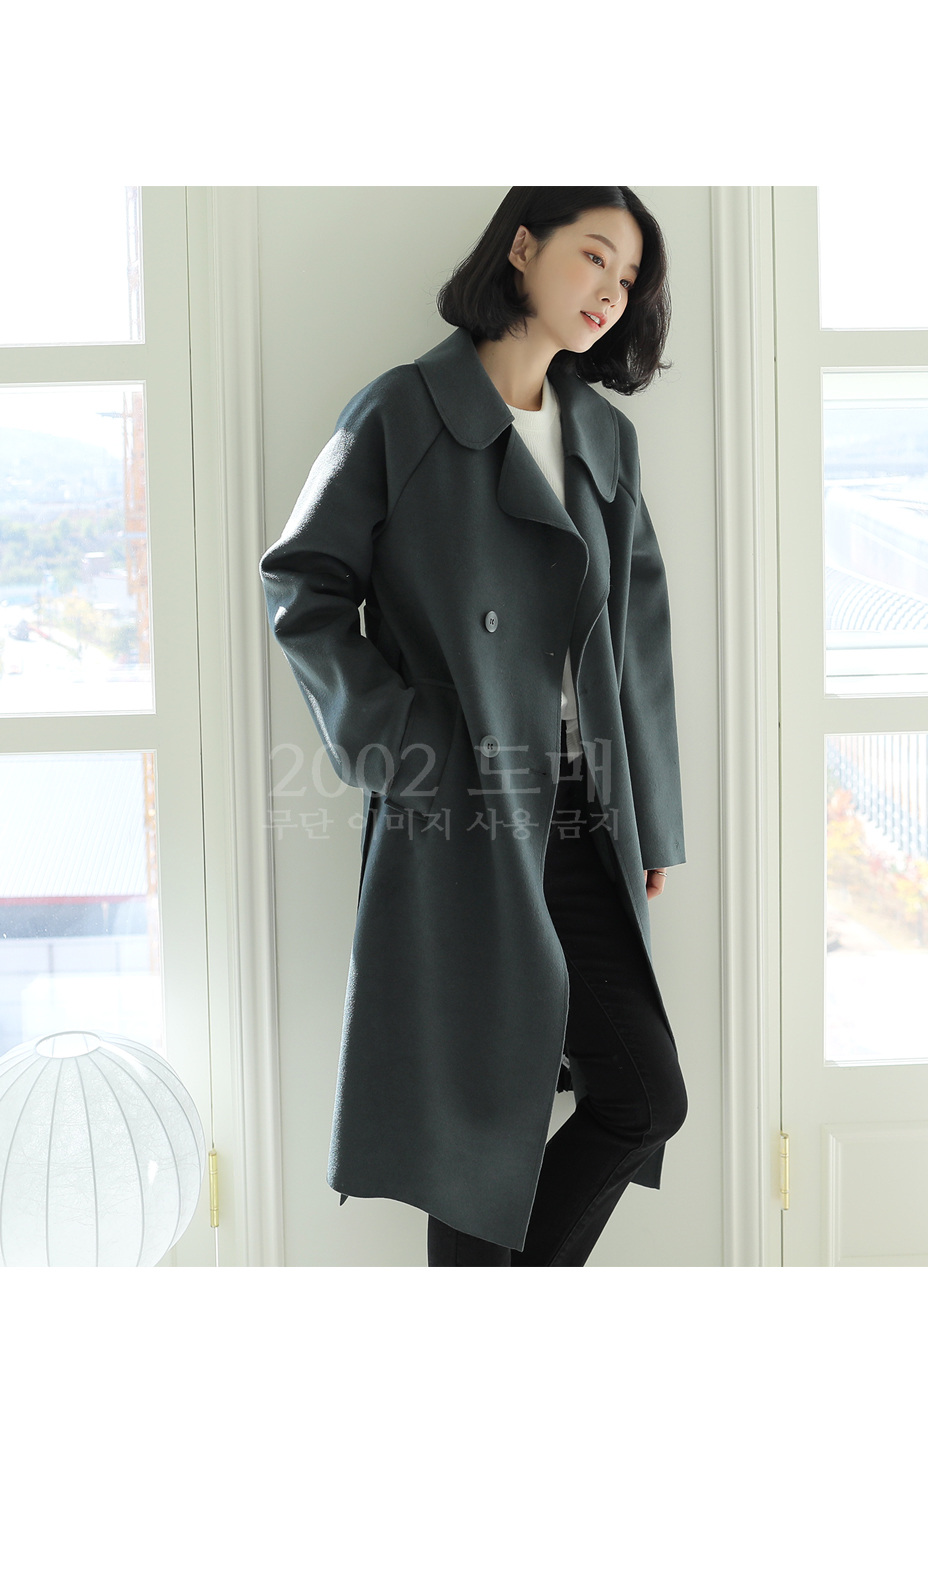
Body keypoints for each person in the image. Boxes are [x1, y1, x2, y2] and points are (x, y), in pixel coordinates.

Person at [260, 187, 688, 1266]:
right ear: (523, 245)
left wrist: (651, 820)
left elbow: (637, 639)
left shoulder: (603, 436)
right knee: (474, 1122)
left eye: (628, 278)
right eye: (595, 256)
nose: (610, 291)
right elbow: (303, 586)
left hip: (582, 812)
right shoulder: (402, 412)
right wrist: (404, 747)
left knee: (643, 1098)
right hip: (458, 805)